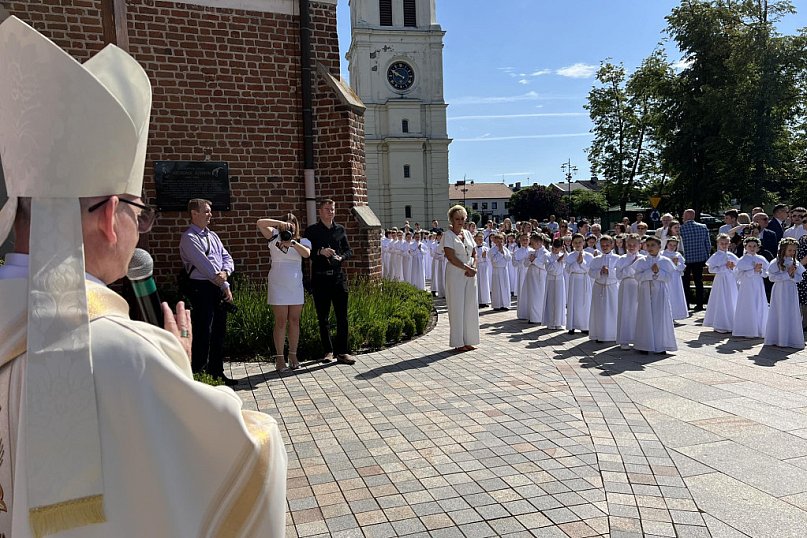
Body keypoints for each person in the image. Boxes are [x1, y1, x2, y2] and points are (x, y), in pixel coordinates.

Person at [0, 16, 286, 536]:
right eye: (140, 211)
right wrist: (174, 367)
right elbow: (246, 454)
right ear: (111, 217)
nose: (142, 226)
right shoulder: (124, 353)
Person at [180, 198, 237, 385]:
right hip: (202, 289)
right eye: (206, 211)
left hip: (217, 287)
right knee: (204, 331)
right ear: (194, 213)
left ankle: (217, 373)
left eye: (210, 211)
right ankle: (200, 375)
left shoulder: (213, 236)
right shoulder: (189, 238)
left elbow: (227, 257)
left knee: (219, 331)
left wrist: (226, 272)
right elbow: (205, 266)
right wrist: (224, 285)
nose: (210, 214)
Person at [304, 198, 356, 365]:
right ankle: (328, 351)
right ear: (320, 211)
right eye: (327, 209)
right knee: (323, 317)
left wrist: (341, 257)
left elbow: (349, 251)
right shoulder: (311, 231)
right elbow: (305, 253)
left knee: (342, 317)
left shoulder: (340, 229)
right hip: (320, 279)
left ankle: (342, 352)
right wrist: (320, 251)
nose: (330, 212)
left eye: (332, 209)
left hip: (338, 278)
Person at [257, 213, 311, 372]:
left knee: (294, 320)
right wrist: (279, 223)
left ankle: (293, 355)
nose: (289, 227)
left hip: (295, 284)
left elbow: (307, 254)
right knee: (280, 321)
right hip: (278, 284)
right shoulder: (273, 236)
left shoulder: (302, 241)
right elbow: (260, 222)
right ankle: (279, 358)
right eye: (286, 224)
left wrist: (292, 243)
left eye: (292, 224)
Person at [440, 205, 480, 351]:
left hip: (470, 273)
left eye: (462, 218)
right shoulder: (448, 236)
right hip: (456, 273)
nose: (460, 221)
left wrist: (474, 267)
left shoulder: (468, 234)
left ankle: (469, 339)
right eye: (457, 219)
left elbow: (474, 252)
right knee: (457, 306)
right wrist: (467, 268)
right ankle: (458, 342)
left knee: (470, 306)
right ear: (451, 220)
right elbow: (450, 257)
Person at [633, 236, 677, 354]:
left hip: (660, 291)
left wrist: (658, 272)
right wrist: (650, 272)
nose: (650, 248)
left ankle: (660, 345)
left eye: (653, 245)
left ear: (659, 247)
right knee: (645, 315)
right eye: (648, 245)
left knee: (660, 316)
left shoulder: (665, 261)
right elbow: (637, 277)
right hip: (645, 291)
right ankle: (644, 345)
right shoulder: (641, 261)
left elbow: (668, 278)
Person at [765, 238, 805, 349]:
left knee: (791, 311)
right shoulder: (776, 262)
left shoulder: (795, 262)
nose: (792, 252)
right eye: (790, 250)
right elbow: (772, 277)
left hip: (791, 289)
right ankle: (778, 338)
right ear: (783, 250)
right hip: (780, 290)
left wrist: (793, 275)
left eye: (794, 250)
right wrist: (787, 274)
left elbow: (799, 278)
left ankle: (791, 338)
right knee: (780, 310)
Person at [732, 237, 769, 339]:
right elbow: (737, 274)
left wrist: (760, 271)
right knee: (747, 304)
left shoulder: (761, 259)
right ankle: (747, 329)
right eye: (750, 246)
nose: (752, 248)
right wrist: (753, 271)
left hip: (758, 285)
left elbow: (767, 273)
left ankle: (759, 328)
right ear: (745, 247)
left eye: (754, 246)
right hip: (746, 285)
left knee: (758, 303)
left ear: (758, 247)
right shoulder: (742, 260)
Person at [703, 234, 739, 334]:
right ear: (718, 244)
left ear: (729, 243)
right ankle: (720, 323)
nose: (724, 245)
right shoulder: (716, 256)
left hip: (731, 280)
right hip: (721, 280)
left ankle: (731, 322)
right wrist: (724, 267)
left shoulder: (732, 255)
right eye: (722, 243)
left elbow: (738, 268)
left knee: (731, 299)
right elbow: (711, 269)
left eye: (726, 243)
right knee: (721, 299)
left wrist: (732, 267)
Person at [587, 235, 619, 342]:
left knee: (612, 310)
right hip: (599, 287)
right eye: (602, 245)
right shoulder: (596, 259)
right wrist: (599, 272)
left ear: (612, 245)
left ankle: (612, 334)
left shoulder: (617, 258)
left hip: (612, 287)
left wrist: (610, 271)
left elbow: (619, 273)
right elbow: (590, 272)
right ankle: (599, 334)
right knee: (599, 311)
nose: (604, 247)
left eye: (607, 245)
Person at [679, 209, 711, 312]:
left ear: (686, 216)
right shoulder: (703, 227)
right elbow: (708, 244)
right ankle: (700, 304)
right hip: (699, 259)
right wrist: (707, 256)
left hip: (686, 259)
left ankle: (686, 304)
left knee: (685, 282)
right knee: (699, 282)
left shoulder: (681, 229)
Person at [616, 234, 643, 350]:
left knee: (638, 311)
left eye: (634, 245)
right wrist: (632, 267)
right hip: (626, 286)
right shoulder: (622, 259)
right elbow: (618, 275)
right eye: (629, 244)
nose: (631, 247)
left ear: (639, 245)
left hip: (640, 286)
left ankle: (639, 338)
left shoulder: (643, 258)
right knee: (626, 311)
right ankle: (624, 339)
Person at [565, 233, 593, 334]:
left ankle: (584, 326)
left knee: (585, 303)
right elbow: (568, 269)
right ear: (572, 243)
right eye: (575, 242)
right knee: (573, 303)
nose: (578, 244)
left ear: (584, 242)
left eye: (580, 242)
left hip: (585, 280)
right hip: (574, 280)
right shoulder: (570, 256)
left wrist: (582, 262)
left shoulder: (589, 256)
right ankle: (572, 325)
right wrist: (577, 263)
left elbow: (590, 270)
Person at [517, 233, 548, 323]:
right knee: (531, 296)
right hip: (531, 276)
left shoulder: (545, 253)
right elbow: (525, 264)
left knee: (538, 297)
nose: (531, 245)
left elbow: (544, 265)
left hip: (539, 277)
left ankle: (537, 317)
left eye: (533, 243)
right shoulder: (532, 252)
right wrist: (530, 260)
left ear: (539, 243)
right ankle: (530, 315)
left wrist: (534, 260)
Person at [662, 236, 689, 321]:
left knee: (675, 295)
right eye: (670, 244)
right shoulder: (662, 253)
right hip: (667, 277)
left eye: (674, 245)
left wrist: (677, 264)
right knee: (668, 295)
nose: (672, 247)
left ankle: (675, 315)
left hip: (676, 278)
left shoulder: (678, 255)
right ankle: (666, 316)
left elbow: (682, 267)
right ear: (667, 244)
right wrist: (670, 263)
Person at [543, 238, 567, 330]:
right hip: (551, 280)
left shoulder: (563, 255)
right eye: (553, 248)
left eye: (557, 249)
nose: (554, 250)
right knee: (551, 300)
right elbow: (549, 268)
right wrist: (557, 261)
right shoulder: (547, 255)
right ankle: (550, 322)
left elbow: (568, 261)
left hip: (560, 280)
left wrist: (565, 252)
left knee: (559, 301)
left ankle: (558, 322)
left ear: (561, 248)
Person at [490, 233, 513, 311]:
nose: (499, 243)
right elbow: (494, 260)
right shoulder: (492, 250)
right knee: (497, 288)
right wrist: (500, 252)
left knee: (505, 287)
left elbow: (509, 258)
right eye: (498, 241)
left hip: (504, 270)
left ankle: (505, 304)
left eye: (501, 241)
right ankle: (497, 305)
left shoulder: (505, 249)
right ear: (494, 242)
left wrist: (503, 252)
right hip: (496, 270)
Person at [474, 232, 492, 307]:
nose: (480, 241)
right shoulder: (474, 248)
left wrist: (485, 257)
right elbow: (475, 258)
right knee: (478, 283)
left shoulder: (486, 248)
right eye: (479, 239)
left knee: (484, 283)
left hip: (484, 267)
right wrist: (482, 257)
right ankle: (478, 300)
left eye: (481, 239)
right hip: (477, 267)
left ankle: (485, 300)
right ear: (475, 239)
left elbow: (489, 258)